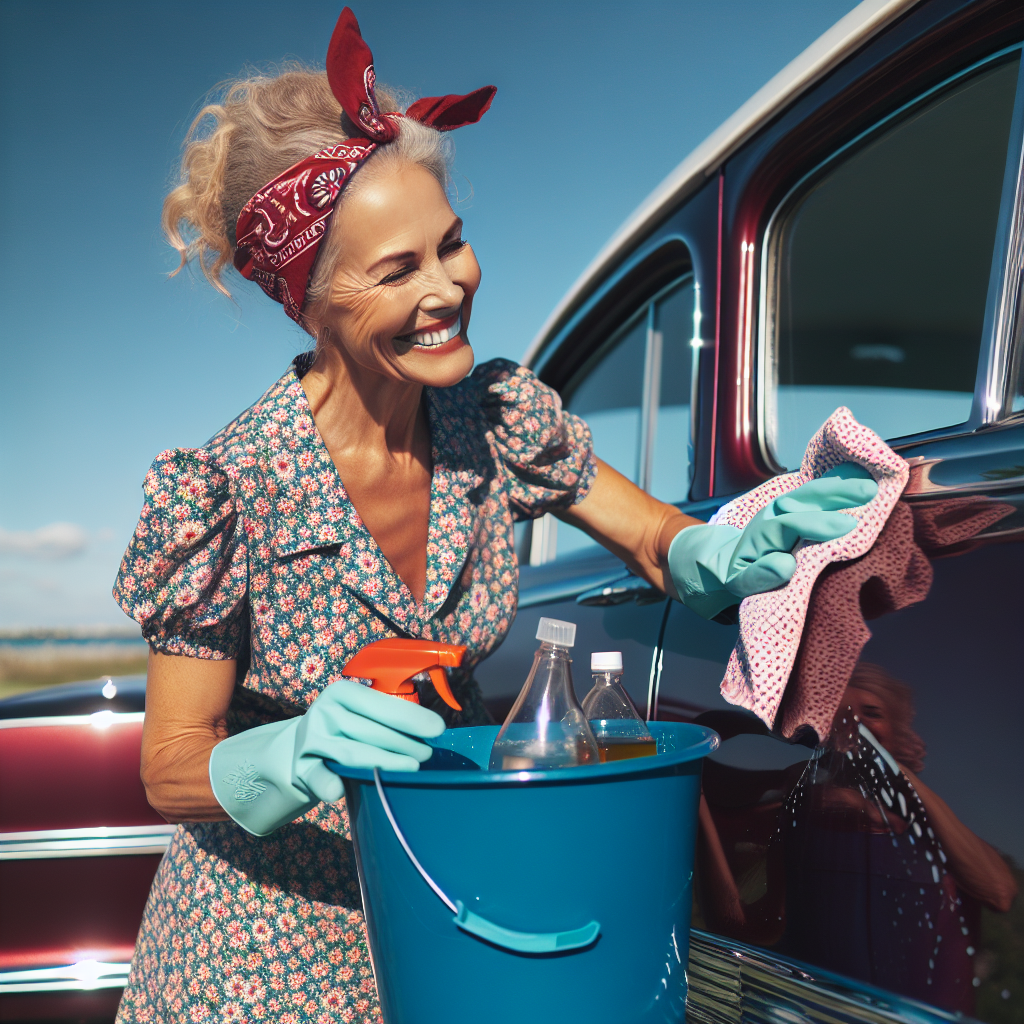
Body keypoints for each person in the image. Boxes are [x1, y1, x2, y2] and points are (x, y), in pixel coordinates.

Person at [112, 9, 878, 1022]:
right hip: (266, 953)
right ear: (313, 302)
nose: (449, 288)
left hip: (455, 915)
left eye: (452, 244)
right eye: (398, 270)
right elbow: (170, 761)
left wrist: (726, 549)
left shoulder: (497, 418)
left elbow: (651, 536)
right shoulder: (226, 490)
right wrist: (292, 751)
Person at [695, 662, 1017, 1014]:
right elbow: (744, 927)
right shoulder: (805, 821)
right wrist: (697, 798)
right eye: (839, 715)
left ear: (901, 733)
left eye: (872, 713)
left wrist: (900, 777)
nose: (855, 724)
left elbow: (998, 891)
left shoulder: (930, 827)